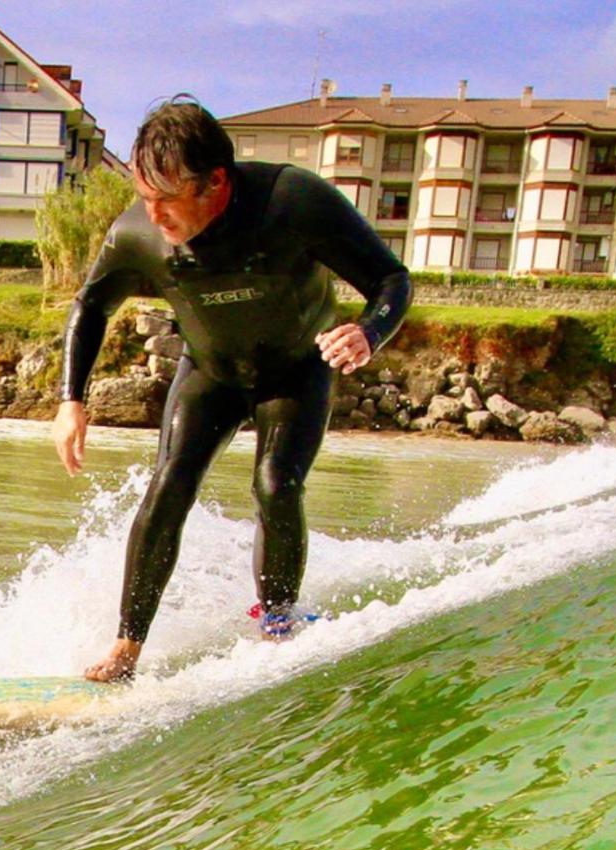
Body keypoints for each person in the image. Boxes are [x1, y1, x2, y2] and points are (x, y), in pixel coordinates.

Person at [51, 96, 412, 682]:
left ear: (215, 181)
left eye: (168, 198)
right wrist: (71, 400)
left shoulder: (293, 202)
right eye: (145, 196)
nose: (154, 214)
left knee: (275, 484)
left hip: (297, 369)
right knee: (167, 487)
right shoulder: (139, 233)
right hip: (213, 372)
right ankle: (125, 648)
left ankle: (277, 625)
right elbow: (92, 303)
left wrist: (370, 332)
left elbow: (391, 278)